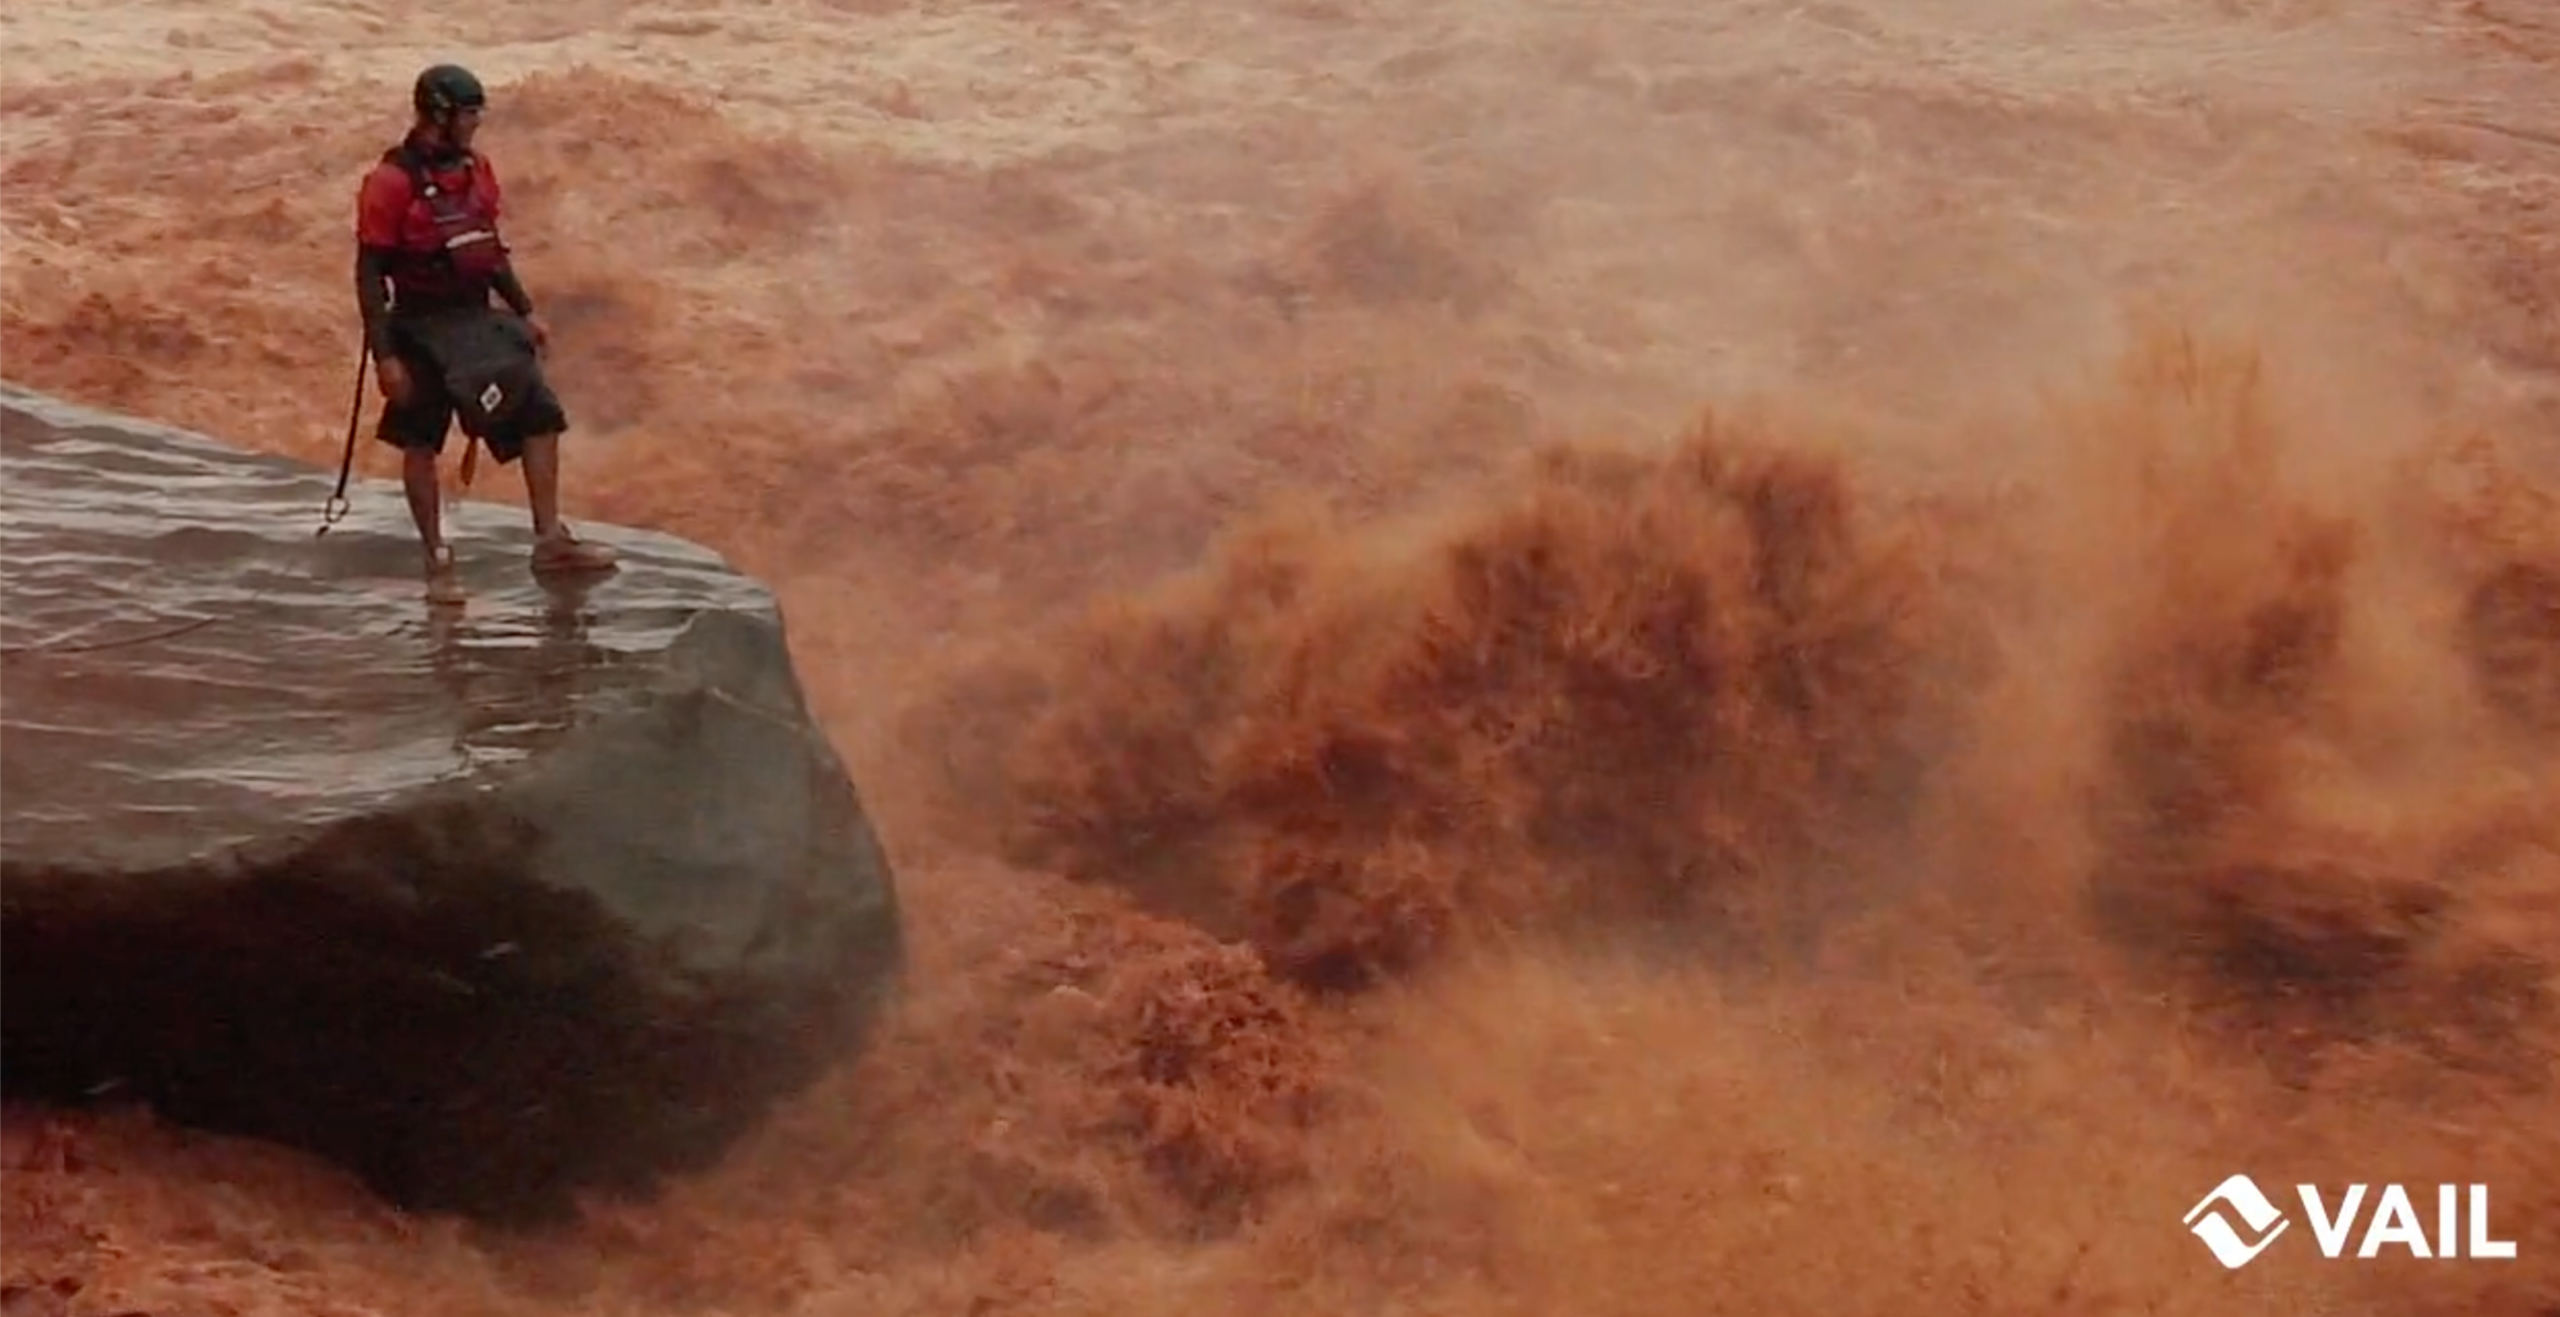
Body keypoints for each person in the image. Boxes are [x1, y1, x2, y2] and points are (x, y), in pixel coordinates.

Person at [354, 62, 616, 604]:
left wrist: (525, 310)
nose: (476, 123)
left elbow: (489, 250)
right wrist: (385, 357)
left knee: (542, 416)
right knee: (421, 439)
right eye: (470, 114)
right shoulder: (391, 182)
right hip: (419, 323)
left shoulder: (477, 170)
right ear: (440, 115)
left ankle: (550, 540)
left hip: (475, 318)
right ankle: (436, 559)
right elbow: (369, 273)